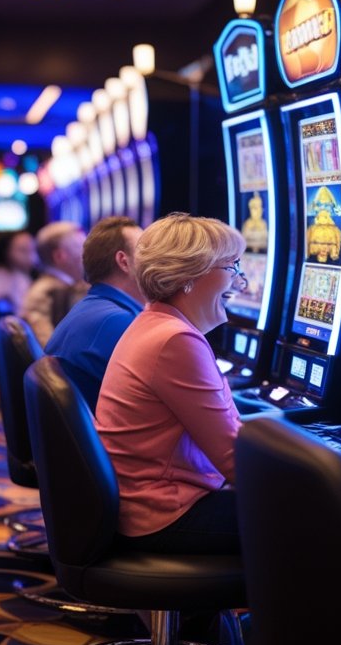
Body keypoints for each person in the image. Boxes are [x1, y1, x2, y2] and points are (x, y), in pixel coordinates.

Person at [95, 212, 248, 555]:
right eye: (231, 268)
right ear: (189, 277)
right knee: (318, 514)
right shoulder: (175, 341)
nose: (242, 283)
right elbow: (235, 464)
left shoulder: (156, 324)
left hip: (146, 504)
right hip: (163, 515)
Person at [44, 216, 145, 409]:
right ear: (124, 262)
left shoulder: (95, 309)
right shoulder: (117, 322)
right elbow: (167, 401)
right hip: (106, 437)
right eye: (145, 250)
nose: (155, 260)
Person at [19, 220, 88, 345]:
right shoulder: (43, 294)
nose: (87, 256)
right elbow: (48, 351)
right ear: (60, 256)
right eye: (81, 248)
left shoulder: (68, 287)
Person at [0, 229, 37, 314]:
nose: (31, 257)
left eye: (33, 250)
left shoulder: (24, 276)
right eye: (23, 250)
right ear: (6, 252)